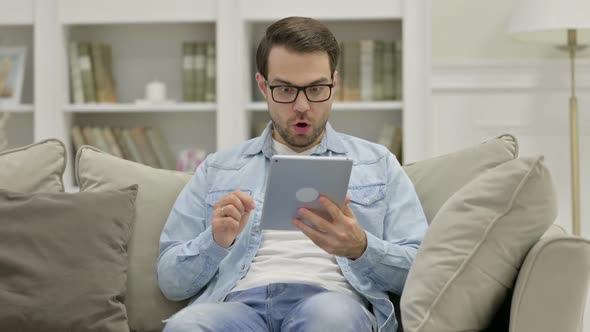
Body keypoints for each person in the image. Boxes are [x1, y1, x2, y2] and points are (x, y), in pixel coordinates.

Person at [157, 16, 428, 332]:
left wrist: (361, 247)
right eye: (285, 89)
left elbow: (424, 270)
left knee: (332, 319)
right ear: (263, 86)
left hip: (329, 302)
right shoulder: (219, 168)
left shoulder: (377, 163)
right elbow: (170, 282)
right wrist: (214, 242)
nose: (301, 106)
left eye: (315, 89)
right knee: (187, 326)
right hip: (237, 307)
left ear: (334, 84)